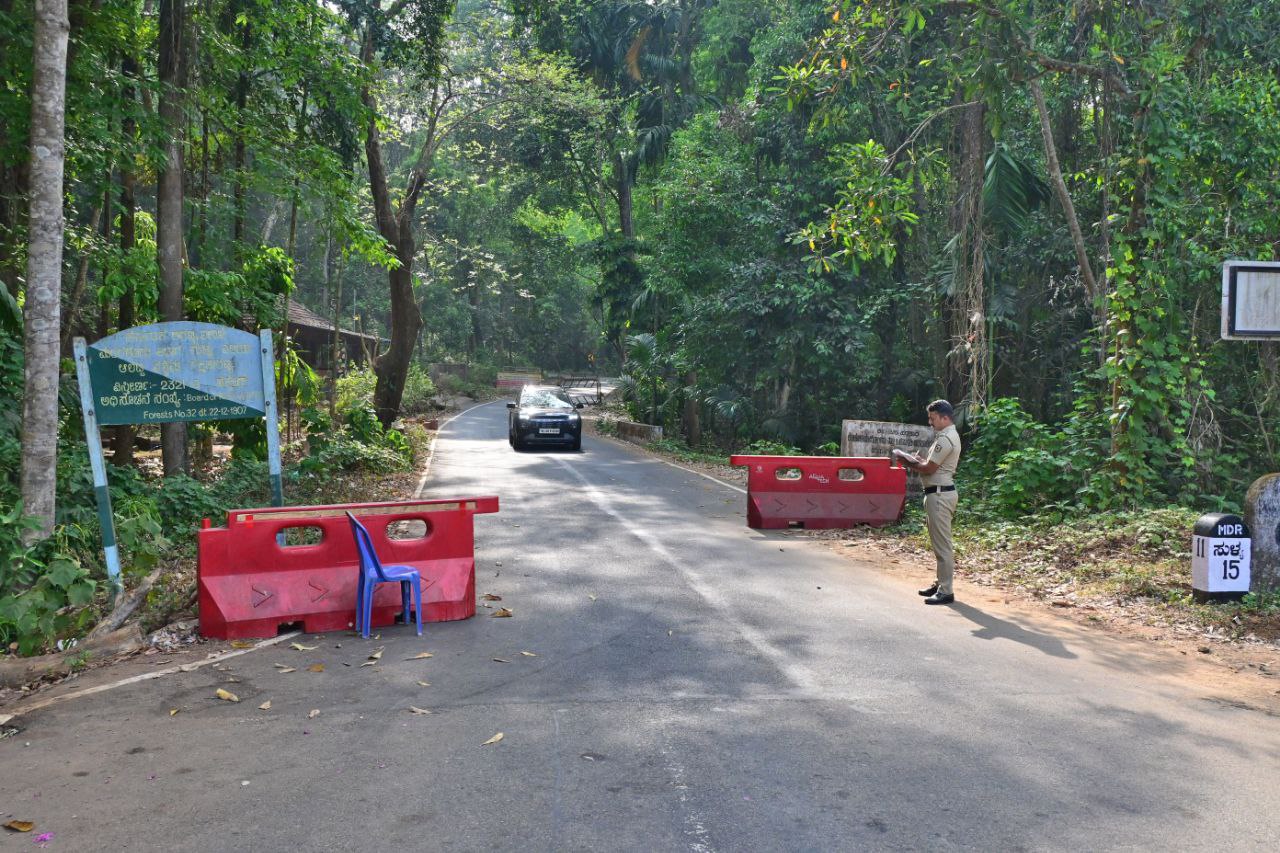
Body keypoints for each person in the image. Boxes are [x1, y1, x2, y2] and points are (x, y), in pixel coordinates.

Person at [891, 400, 962, 605]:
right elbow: (932, 466)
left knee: (943, 545)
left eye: (932, 418)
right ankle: (941, 583)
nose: (930, 422)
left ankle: (946, 591)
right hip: (936, 493)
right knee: (939, 543)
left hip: (940, 495)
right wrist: (917, 461)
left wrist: (907, 462)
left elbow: (930, 469)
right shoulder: (945, 436)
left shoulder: (946, 438)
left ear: (944, 417)